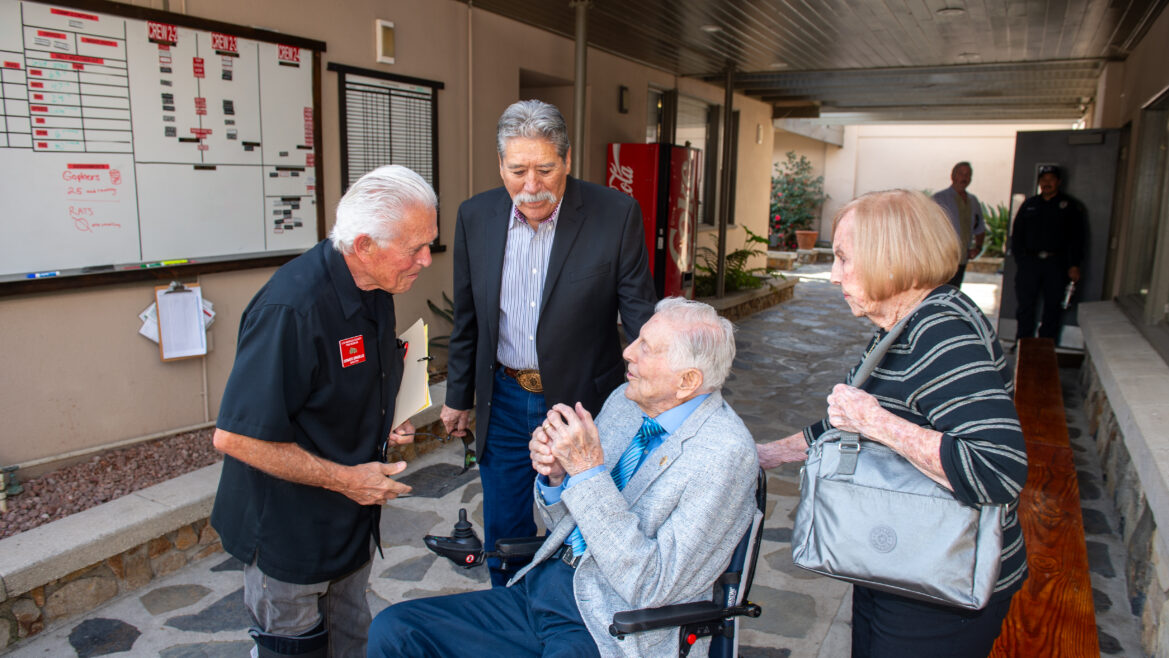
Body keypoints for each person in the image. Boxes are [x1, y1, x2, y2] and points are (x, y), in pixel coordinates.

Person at [369, 298, 759, 658]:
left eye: (646, 347)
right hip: (542, 587)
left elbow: (653, 586)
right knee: (396, 630)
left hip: (608, 623)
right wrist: (557, 478)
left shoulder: (724, 455)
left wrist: (587, 471)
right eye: (637, 338)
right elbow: (572, 522)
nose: (627, 351)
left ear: (688, 381)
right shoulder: (626, 402)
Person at [756, 190, 1028, 657]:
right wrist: (768, 455)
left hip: (944, 586)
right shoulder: (906, 324)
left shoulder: (940, 333)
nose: (834, 275)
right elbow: (844, 425)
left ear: (891, 257)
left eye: (844, 259)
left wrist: (877, 422)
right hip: (904, 563)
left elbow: (996, 470)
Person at [210, 165, 439, 658]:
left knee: (349, 646)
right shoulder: (291, 309)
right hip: (289, 536)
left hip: (349, 527)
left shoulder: (378, 285)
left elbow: (351, 378)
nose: (426, 260)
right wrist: (349, 481)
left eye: (430, 243)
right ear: (363, 245)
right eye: (415, 247)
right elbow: (236, 438)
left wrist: (383, 417)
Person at [440, 99, 657, 586]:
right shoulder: (475, 216)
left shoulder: (614, 213)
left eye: (545, 168)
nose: (531, 186)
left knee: (588, 519)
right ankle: (510, 618)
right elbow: (468, 315)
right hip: (508, 397)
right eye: (517, 171)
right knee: (504, 531)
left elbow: (641, 316)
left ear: (567, 160)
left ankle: (575, 617)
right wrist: (458, 397)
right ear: (500, 165)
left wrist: (660, 393)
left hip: (587, 401)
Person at [1011, 164, 1086, 342]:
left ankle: (1045, 346)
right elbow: (1018, 234)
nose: (1047, 183)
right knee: (1025, 306)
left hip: (1056, 264)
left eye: (1051, 180)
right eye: (1043, 180)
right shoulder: (1029, 205)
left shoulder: (1069, 207)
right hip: (1030, 263)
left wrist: (1074, 264)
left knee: (1053, 306)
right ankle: (1023, 343)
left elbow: (1077, 238)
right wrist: (1020, 259)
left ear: (1058, 182)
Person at [931, 161, 985, 288]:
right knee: (937, 292)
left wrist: (978, 247)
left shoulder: (973, 201)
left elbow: (980, 227)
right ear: (953, 175)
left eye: (968, 175)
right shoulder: (939, 199)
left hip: (961, 259)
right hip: (942, 260)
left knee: (954, 291)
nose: (964, 178)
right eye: (961, 174)